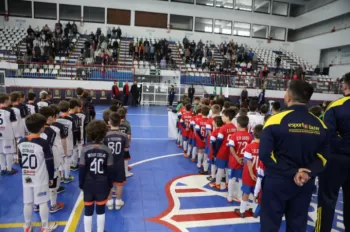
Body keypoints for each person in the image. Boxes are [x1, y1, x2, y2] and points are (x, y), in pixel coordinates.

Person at [259, 80, 329, 232]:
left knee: (269, 225)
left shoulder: (274, 120)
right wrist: (306, 173)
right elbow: (324, 157)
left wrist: (293, 172)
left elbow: (265, 154)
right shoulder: (320, 125)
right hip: (304, 183)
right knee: (297, 225)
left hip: (277, 182)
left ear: (289, 97)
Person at [314, 73, 350, 232]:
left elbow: (327, 135)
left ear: (345, 86)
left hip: (336, 159)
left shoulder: (336, 106)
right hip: (340, 155)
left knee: (327, 198)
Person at [18, 114, 58, 232]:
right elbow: (49, 162)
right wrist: (51, 177)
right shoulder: (43, 143)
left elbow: (20, 162)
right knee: (43, 202)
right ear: (42, 127)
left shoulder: (21, 141)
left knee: (28, 202)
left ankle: (27, 226)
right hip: (40, 178)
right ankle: (45, 226)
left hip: (26, 177)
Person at [80, 120, 113, 232]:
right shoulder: (107, 150)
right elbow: (109, 170)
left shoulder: (85, 149)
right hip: (102, 183)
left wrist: (81, 184)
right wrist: (110, 186)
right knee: (101, 209)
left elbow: (82, 169)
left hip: (88, 183)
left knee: (88, 210)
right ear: (104, 132)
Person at [39, 107, 65, 213]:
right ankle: (53, 204)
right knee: (52, 181)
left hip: (39, 159)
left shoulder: (35, 129)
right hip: (50, 158)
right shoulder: (52, 131)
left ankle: (37, 204)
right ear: (50, 117)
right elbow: (52, 147)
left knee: (40, 181)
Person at [235, 124, 263, 217]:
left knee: (246, 192)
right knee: (256, 193)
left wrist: (251, 174)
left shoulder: (249, 147)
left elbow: (248, 162)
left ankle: (242, 211)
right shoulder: (265, 148)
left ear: (253, 133)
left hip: (249, 174)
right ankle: (255, 211)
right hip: (260, 174)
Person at [104, 113, 129, 210]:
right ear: (120, 122)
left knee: (108, 183)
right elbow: (126, 149)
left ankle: (109, 202)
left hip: (108, 163)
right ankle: (118, 201)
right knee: (119, 183)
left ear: (109, 123)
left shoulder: (105, 135)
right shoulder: (124, 136)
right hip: (119, 163)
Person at [210, 108, 237, 189]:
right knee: (228, 169)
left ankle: (217, 184)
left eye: (223, 116)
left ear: (227, 117)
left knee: (220, 169)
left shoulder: (223, 128)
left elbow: (218, 142)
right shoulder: (235, 127)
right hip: (231, 152)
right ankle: (227, 184)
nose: (221, 117)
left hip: (222, 152)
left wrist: (215, 152)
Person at [227, 116, 253, 202]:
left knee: (232, 178)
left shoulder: (234, 135)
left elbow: (231, 148)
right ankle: (239, 195)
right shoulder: (250, 136)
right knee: (241, 179)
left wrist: (237, 157)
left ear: (238, 124)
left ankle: (230, 196)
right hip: (244, 161)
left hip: (234, 160)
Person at [49, 104, 68, 194]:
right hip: (57, 149)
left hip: (46, 151)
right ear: (56, 114)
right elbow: (63, 140)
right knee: (58, 168)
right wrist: (65, 151)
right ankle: (57, 186)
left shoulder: (42, 126)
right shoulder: (59, 126)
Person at [56, 101, 76, 183]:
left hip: (59, 142)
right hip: (69, 142)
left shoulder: (56, 119)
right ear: (69, 109)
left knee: (60, 160)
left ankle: (60, 178)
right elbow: (74, 131)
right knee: (67, 160)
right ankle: (66, 177)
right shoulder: (71, 119)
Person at [0, 93, 17, 175]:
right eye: (9, 99)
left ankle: (3, 168)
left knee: (0, 152)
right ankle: (9, 169)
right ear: (6, 100)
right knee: (9, 151)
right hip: (7, 134)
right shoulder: (10, 110)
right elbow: (14, 124)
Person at [117, 108, 133, 177]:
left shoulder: (115, 122)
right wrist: (128, 143)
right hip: (124, 144)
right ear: (125, 114)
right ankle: (125, 172)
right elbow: (128, 136)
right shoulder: (127, 123)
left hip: (116, 142)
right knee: (125, 158)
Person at [195, 106, 210, 174]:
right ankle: (204, 164)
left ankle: (199, 163)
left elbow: (197, 130)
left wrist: (201, 138)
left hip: (200, 138)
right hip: (207, 138)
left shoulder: (198, 120)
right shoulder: (210, 121)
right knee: (205, 152)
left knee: (200, 150)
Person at [68, 99, 81, 172]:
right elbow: (77, 130)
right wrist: (78, 139)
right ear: (75, 107)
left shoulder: (63, 116)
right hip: (73, 138)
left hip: (65, 138)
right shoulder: (76, 118)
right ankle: (74, 165)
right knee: (74, 150)